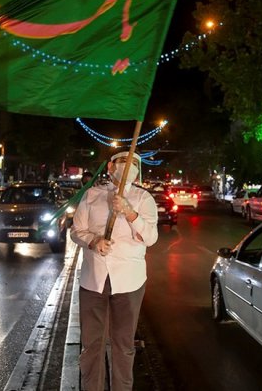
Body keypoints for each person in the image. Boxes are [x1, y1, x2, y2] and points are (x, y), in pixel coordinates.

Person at [70, 151, 158, 391]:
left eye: (136, 164)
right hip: (93, 280)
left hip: (130, 281)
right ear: (110, 167)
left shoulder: (143, 198)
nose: (131, 167)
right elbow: (76, 231)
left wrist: (130, 212)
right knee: (92, 346)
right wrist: (93, 241)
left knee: (123, 345)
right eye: (124, 162)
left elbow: (150, 237)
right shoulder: (92, 195)